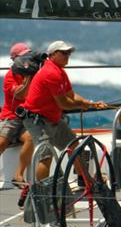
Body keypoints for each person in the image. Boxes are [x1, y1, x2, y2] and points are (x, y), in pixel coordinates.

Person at [19, 41, 108, 182]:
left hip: (51, 118)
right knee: (46, 156)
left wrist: (90, 103)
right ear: (53, 55)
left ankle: (86, 181)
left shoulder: (60, 71)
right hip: (37, 120)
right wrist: (84, 106)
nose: (68, 56)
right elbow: (64, 103)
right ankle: (43, 193)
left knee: (74, 145)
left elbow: (71, 96)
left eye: (69, 53)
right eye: (64, 53)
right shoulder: (51, 72)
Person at [0, 43, 34, 187]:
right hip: (11, 117)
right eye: (23, 57)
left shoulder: (34, 74)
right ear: (15, 60)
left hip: (26, 118)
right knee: (1, 143)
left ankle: (18, 175)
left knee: (30, 138)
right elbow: (21, 95)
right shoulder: (10, 76)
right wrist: (28, 78)